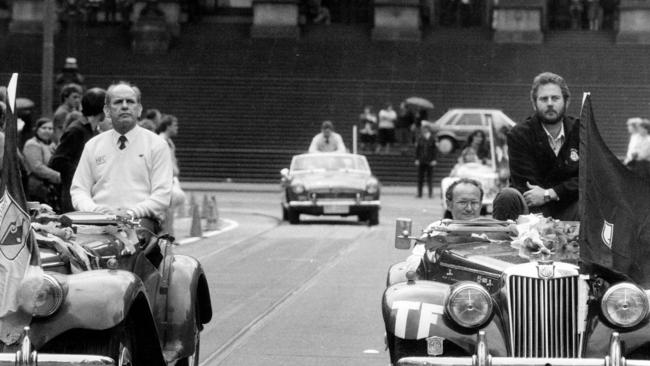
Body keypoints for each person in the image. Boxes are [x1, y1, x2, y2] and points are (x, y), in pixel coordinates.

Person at [70, 81, 173, 230]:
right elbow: (79, 190)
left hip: (140, 223)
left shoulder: (157, 145)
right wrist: (95, 210)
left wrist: (132, 213)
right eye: (118, 102)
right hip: (98, 223)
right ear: (106, 111)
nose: (124, 106)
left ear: (139, 110)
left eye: (130, 102)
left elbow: (162, 195)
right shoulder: (93, 146)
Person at [507, 72, 580, 221]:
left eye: (555, 98)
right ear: (534, 104)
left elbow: (588, 179)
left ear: (567, 102)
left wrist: (549, 193)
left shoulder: (581, 131)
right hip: (532, 211)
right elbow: (526, 184)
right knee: (506, 196)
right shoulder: (519, 134)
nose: (550, 103)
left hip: (571, 207)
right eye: (544, 99)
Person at [49, 87, 106, 213]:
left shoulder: (94, 130)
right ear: (100, 109)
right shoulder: (76, 130)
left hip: (89, 193)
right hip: (73, 194)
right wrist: (81, 172)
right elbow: (56, 161)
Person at [22, 118, 60, 205]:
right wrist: (58, 176)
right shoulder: (32, 144)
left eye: (50, 128)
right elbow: (37, 167)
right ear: (37, 129)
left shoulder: (52, 144)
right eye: (44, 128)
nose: (47, 131)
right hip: (36, 187)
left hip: (49, 186)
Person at [414, 124, 438, 198]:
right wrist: (416, 159)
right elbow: (417, 150)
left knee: (430, 178)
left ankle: (430, 194)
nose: (423, 130)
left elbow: (435, 150)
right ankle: (419, 194)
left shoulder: (433, 139)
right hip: (421, 160)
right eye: (423, 129)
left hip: (430, 161)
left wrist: (434, 159)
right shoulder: (420, 138)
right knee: (420, 178)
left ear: (428, 129)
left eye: (425, 129)